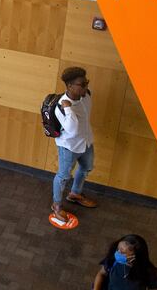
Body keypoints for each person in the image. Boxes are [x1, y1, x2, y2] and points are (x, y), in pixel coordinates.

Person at [51, 66, 97, 222]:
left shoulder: (86, 96)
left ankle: (75, 194)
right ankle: (56, 205)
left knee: (86, 167)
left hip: (86, 142)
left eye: (86, 82)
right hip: (69, 147)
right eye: (82, 84)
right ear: (69, 86)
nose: (86, 87)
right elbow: (72, 130)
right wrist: (68, 109)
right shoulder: (61, 106)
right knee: (63, 176)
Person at [93, 234, 157, 290]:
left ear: (135, 257)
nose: (117, 253)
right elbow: (102, 273)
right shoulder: (113, 259)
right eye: (118, 249)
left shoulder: (148, 272)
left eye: (122, 252)